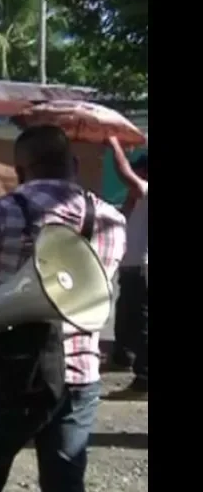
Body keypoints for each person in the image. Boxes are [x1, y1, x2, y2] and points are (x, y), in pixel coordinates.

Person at [0, 126, 126, 492]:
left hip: (10, 371)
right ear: (75, 164)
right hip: (79, 374)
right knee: (65, 483)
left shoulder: (5, 211)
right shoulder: (113, 220)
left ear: (18, 171)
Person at [105, 137, 149, 399]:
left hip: (143, 268)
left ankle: (144, 378)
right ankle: (123, 357)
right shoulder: (139, 200)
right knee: (127, 316)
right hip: (132, 267)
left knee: (142, 322)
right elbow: (121, 217)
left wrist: (114, 144)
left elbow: (124, 174)